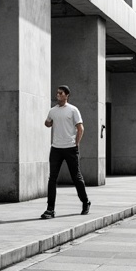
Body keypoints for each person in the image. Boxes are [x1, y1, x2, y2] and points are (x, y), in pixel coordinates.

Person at [40, 85, 90, 219]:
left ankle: (85, 202)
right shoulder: (52, 111)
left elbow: (80, 128)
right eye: (57, 93)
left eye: (60, 93)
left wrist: (76, 144)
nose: (57, 95)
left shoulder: (73, 110)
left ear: (66, 95)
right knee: (52, 179)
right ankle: (50, 209)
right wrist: (47, 122)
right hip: (56, 148)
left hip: (70, 148)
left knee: (76, 177)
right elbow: (48, 123)